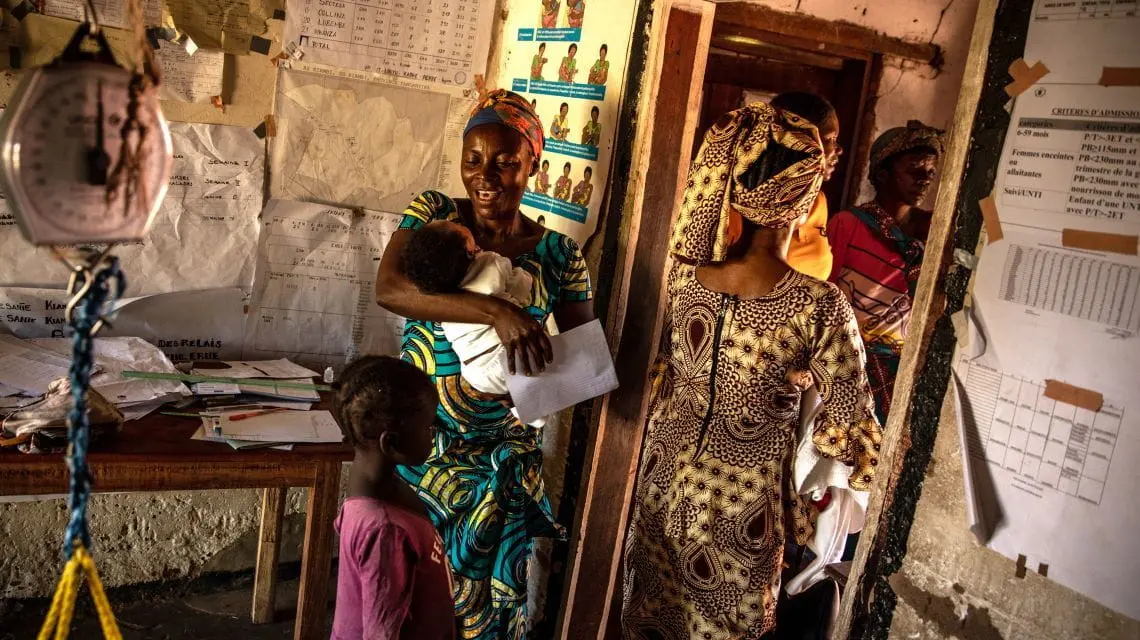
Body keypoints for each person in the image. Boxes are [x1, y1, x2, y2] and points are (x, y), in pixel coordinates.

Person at [621, 103, 882, 639]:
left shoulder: (687, 278)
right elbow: (850, 430)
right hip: (740, 506)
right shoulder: (819, 304)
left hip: (663, 481)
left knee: (652, 616)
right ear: (806, 197)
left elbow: (674, 371)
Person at [374, 89, 594, 640]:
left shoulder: (560, 255)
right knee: (408, 604)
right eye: (473, 159)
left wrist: (523, 388)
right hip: (421, 455)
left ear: (534, 165)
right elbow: (391, 288)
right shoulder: (436, 215)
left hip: (500, 468)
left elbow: (584, 362)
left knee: (483, 620)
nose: (486, 176)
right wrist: (495, 312)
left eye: (505, 161)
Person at [330, 355, 457, 640]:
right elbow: (381, 632)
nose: (432, 435)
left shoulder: (376, 489)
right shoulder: (385, 530)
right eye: (428, 428)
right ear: (392, 442)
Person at [828, 120, 944, 424]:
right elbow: (825, 294)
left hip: (906, 363)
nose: (924, 180)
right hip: (852, 359)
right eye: (915, 170)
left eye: (930, 173)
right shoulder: (848, 225)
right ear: (882, 174)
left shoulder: (936, 229)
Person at [400, 221, 533, 397]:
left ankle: (526, 409)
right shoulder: (490, 262)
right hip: (507, 354)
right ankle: (534, 413)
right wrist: (525, 276)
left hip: (474, 373)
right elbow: (520, 290)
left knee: (519, 394)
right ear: (470, 252)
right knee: (540, 348)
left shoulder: (440, 296)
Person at [770, 92, 844, 281]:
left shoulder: (818, 201)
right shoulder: (761, 201)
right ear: (801, 142)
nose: (839, 149)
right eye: (830, 139)